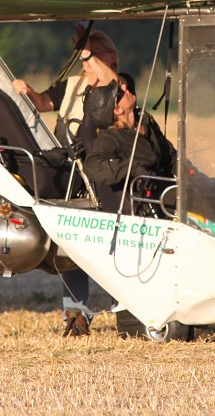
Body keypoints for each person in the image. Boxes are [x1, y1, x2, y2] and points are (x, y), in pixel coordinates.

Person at [12, 28, 121, 337]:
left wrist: (86, 49)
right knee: (69, 245)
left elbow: (110, 84)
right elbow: (46, 101)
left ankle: (126, 309)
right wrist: (28, 92)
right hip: (71, 173)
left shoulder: (119, 85)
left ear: (110, 58)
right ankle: (76, 314)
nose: (85, 61)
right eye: (83, 56)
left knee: (112, 245)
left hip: (104, 173)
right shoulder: (72, 85)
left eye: (93, 55)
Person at [83, 73, 177, 215]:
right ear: (117, 110)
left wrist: (192, 174)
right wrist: (132, 168)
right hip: (150, 204)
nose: (125, 88)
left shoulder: (145, 121)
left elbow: (170, 155)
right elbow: (92, 166)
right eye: (120, 93)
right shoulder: (111, 137)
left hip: (168, 190)